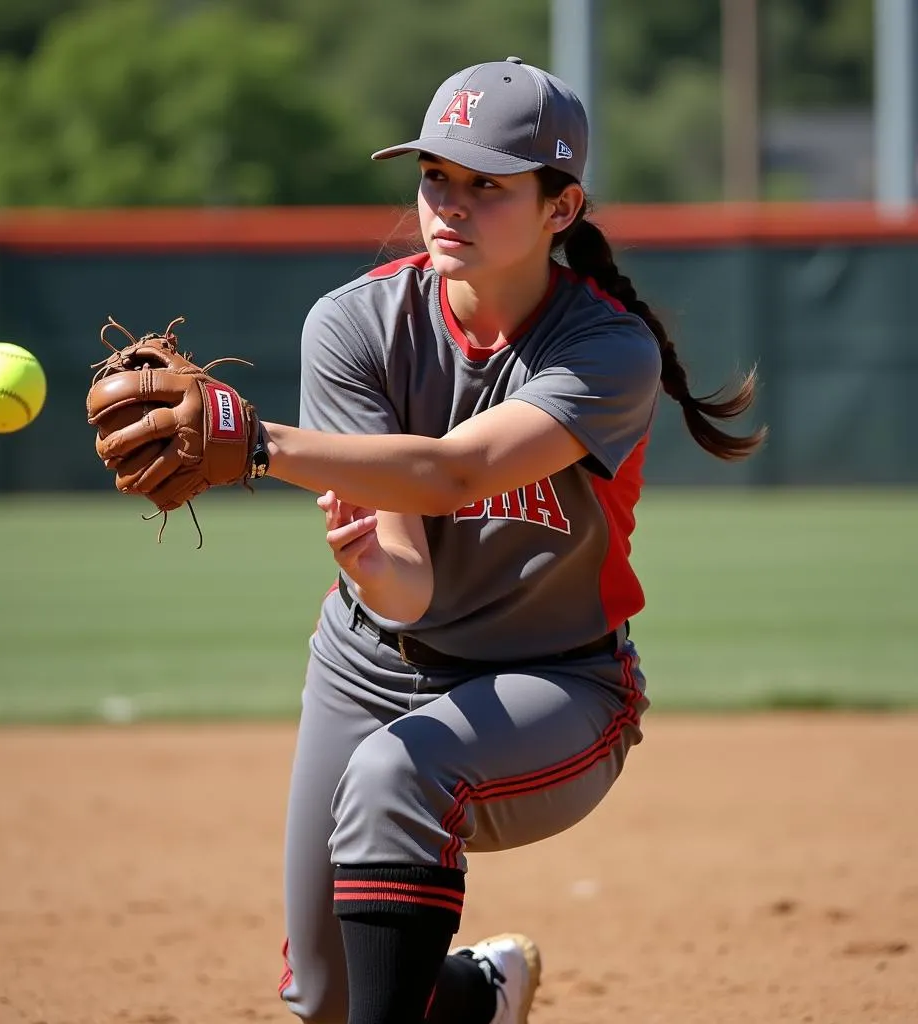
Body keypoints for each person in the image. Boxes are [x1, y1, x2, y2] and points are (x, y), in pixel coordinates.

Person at [94, 56, 765, 1024]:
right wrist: (376, 573)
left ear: (559, 207)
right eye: (434, 177)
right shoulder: (356, 323)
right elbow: (406, 584)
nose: (448, 203)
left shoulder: (604, 348)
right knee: (323, 996)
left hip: (554, 684)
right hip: (368, 668)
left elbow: (456, 471)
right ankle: (480, 992)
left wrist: (257, 443)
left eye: (486, 185)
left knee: (399, 772)